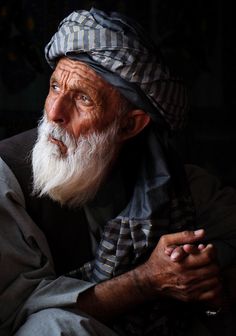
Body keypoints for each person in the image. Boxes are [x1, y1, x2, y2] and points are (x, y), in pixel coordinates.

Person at [0, 7, 236, 336]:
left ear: (129, 124)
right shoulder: (7, 178)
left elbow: (219, 292)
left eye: (83, 98)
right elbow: (12, 314)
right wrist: (146, 280)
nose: (54, 112)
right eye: (54, 87)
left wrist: (210, 283)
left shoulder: (181, 187)